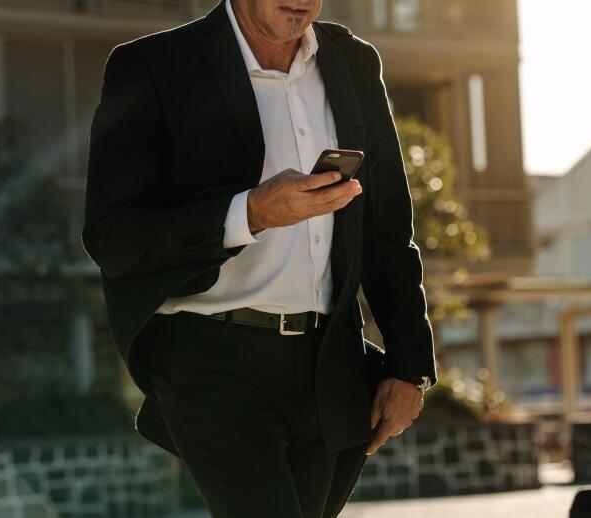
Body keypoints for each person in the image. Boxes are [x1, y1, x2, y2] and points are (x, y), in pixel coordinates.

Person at [82, 0, 437, 516]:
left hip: (329, 365)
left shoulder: (353, 62)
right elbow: (114, 237)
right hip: (212, 360)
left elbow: (387, 230)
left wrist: (410, 367)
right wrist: (250, 213)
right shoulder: (154, 66)